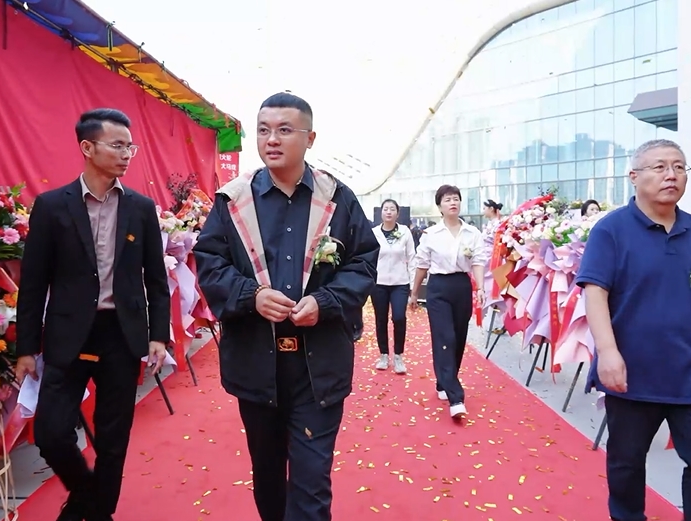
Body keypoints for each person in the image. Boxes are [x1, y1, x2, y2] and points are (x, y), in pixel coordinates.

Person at [193, 92, 378, 521]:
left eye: (284, 130)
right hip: (257, 364)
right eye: (263, 130)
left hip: (318, 367)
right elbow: (210, 263)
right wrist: (252, 296)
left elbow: (364, 262)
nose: (271, 139)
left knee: (312, 482)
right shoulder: (234, 200)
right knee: (269, 478)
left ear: (309, 138)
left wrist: (326, 301)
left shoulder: (338, 199)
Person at [15, 108, 171, 521]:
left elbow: (156, 278)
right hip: (68, 334)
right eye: (117, 145)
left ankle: (97, 513)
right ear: (87, 147)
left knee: (113, 439)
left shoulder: (141, 208)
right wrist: (26, 347)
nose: (126, 154)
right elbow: (34, 282)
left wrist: (159, 335)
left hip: (121, 333)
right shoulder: (52, 206)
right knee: (51, 433)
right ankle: (87, 495)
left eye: (130, 147)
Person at [576, 139, 691, 521]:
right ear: (634, 176)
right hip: (633, 371)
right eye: (660, 167)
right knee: (627, 463)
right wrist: (608, 352)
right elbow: (595, 293)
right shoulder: (611, 230)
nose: (671, 175)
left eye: (679, 167)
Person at [409, 185, 488, 419]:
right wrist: (414, 293)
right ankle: (456, 397)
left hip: (461, 286)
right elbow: (422, 264)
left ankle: (444, 381)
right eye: (447, 200)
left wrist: (481, 287)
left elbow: (478, 261)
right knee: (445, 337)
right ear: (440, 206)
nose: (452, 203)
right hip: (438, 288)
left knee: (459, 337)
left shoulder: (472, 233)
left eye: (455, 199)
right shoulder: (431, 234)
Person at [371, 199, 415, 374]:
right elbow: (368, 258)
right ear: (381, 213)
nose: (388, 212)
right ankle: (383, 354)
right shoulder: (374, 233)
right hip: (378, 283)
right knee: (380, 319)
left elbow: (412, 258)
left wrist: (413, 286)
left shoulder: (404, 232)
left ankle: (398, 355)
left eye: (392, 209)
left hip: (400, 283)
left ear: (398, 213)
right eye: (386, 209)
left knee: (399, 317)